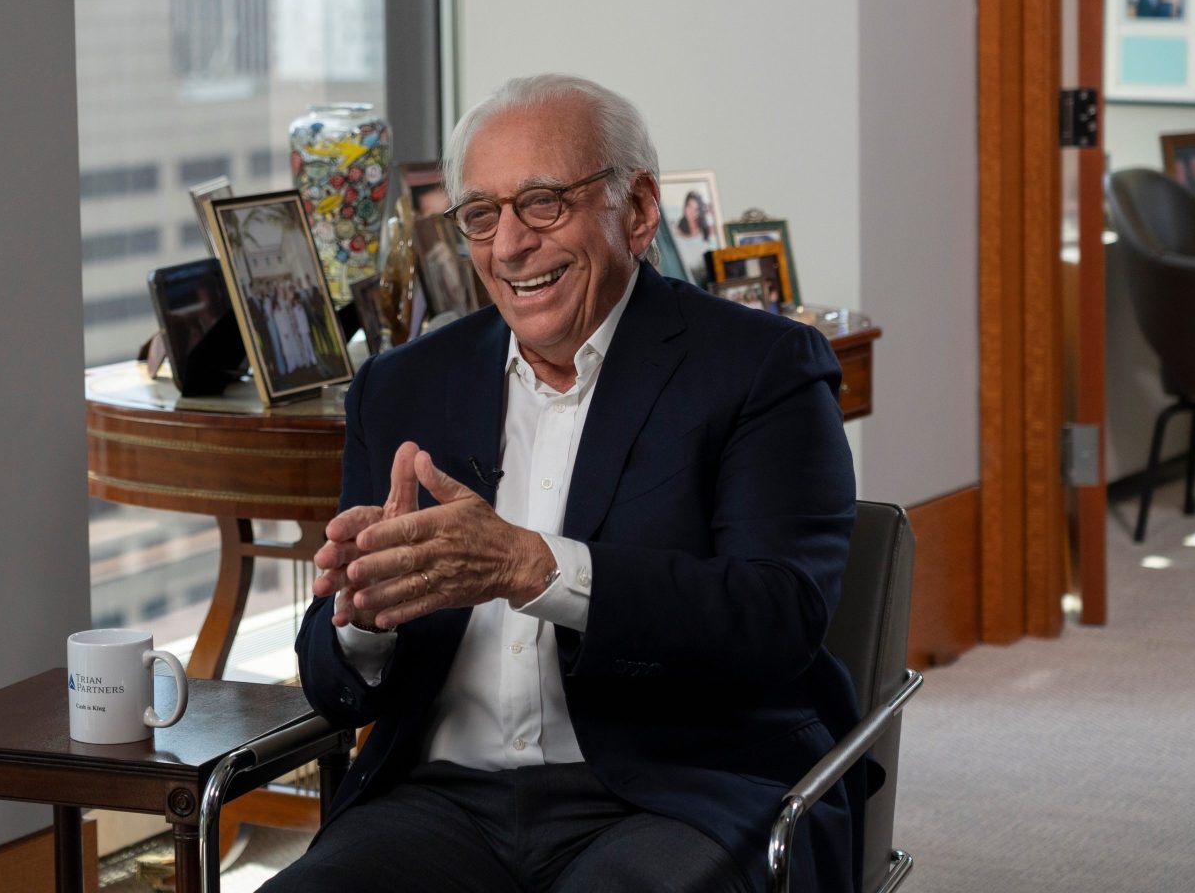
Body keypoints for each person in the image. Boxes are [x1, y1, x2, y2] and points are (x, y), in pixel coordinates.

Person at [260, 74, 867, 893]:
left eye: (543, 203)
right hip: (439, 802)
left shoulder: (760, 368)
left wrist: (534, 567)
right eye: (482, 215)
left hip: (679, 794)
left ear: (638, 210)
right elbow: (336, 683)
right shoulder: (402, 387)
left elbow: (778, 616)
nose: (510, 245)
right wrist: (365, 619)